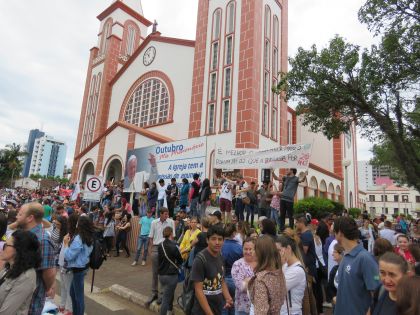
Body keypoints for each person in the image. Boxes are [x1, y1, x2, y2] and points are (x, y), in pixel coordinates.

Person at [333, 216, 380, 315]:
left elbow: (377, 295)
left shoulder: (365, 258)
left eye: (334, 231)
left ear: (340, 233)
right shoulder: (346, 255)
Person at [15, 202, 56, 315]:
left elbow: (48, 273)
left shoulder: (42, 241)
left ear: (30, 218)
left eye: (20, 214)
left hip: (31, 302)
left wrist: (48, 288)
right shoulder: (20, 235)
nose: (16, 216)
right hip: (15, 299)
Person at [191, 224, 233, 315]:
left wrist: (228, 297)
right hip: (201, 311)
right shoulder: (200, 260)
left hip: (217, 308)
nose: (217, 242)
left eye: (220, 239)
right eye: (213, 239)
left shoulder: (220, 256)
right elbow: (198, 290)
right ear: (207, 240)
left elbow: (221, 280)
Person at [0, 230, 41, 315]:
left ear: (18, 250)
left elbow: (6, 312)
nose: (2, 248)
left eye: (6, 245)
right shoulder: (9, 268)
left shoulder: (27, 276)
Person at [63, 216, 94, 315]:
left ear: (80, 225)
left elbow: (69, 256)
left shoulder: (79, 238)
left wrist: (66, 244)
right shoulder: (89, 236)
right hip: (83, 267)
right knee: (73, 293)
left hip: (78, 269)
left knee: (78, 297)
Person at [248, 235, 286, 315]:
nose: (252, 252)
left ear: (261, 252)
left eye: (255, 249)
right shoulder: (278, 273)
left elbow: (261, 311)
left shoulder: (261, 280)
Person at [147, 207, 175, 306]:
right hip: (156, 248)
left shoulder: (171, 222)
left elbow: (172, 237)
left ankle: (162, 294)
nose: (167, 216)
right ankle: (154, 293)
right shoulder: (154, 222)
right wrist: (151, 251)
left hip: (166, 249)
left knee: (163, 273)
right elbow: (150, 237)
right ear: (161, 214)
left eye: (168, 214)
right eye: (165, 214)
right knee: (155, 273)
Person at [295, 214, 323, 314]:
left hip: (309, 268)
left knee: (310, 293)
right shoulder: (305, 234)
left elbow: (303, 251)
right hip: (309, 266)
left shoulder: (306, 235)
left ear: (301, 223)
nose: (295, 224)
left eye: (297, 222)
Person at [275, 233, 306, 315]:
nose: (276, 254)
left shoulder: (297, 270)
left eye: (278, 250)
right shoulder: (285, 265)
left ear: (288, 248)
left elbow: (276, 289)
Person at [158, 226, 183, 315]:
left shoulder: (160, 245)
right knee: (166, 298)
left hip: (161, 275)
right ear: (171, 234)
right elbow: (180, 260)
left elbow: (159, 259)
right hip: (171, 275)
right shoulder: (174, 245)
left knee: (169, 293)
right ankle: (166, 312)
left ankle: (170, 310)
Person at [58, 213, 78, 315]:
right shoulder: (69, 234)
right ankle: (62, 305)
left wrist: (65, 243)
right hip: (62, 263)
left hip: (68, 266)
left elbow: (69, 253)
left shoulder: (75, 237)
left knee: (68, 287)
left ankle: (69, 309)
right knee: (63, 285)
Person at [221, 223, 243, 315]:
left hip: (223, 279)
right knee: (234, 305)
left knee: (224, 305)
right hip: (236, 280)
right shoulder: (239, 247)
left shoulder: (219, 246)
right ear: (234, 233)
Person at [231, 237, 256, 315]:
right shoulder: (237, 264)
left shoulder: (262, 263)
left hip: (258, 307)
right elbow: (241, 287)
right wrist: (255, 280)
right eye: (245, 249)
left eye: (250, 249)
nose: (248, 251)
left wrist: (247, 280)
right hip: (242, 308)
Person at [327, 243, 344, 310]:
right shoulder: (334, 269)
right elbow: (329, 287)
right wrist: (333, 297)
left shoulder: (347, 269)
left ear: (341, 253)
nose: (332, 254)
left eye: (334, 252)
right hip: (336, 303)